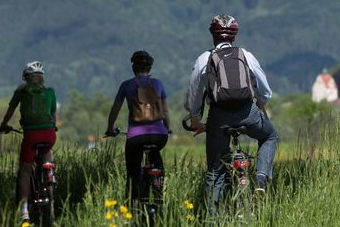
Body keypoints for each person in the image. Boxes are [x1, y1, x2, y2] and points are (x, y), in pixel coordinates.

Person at [185, 14, 278, 214]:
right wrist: (259, 108)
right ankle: (261, 179)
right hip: (248, 113)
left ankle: (212, 225)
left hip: (218, 117)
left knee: (215, 171)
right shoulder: (246, 55)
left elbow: (194, 96)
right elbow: (265, 92)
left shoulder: (204, 59)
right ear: (234, 36)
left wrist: (196, 121)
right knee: (270, 136)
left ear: (213, 35)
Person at [105, 51, 171, 204]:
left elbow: (115, 109)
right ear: (150, 67)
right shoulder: (158, 84)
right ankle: (158, 188)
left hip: (136, 136)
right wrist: (167, 128)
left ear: (134, 68)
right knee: (155, 155)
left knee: (133, 173)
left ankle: (133, 206)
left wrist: (110, 128)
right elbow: (165, 111)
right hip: (159, 136)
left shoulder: (126, 85)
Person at [0, 61, 57, 223]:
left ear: (26, 77)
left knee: (25, 170)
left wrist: (3, 125)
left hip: (31, 135)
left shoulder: (21, 91)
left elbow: (11, 110)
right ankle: (49, 175)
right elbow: (53, 117)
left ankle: (24, 211)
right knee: (47, 154)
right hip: (49, 134)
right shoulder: (50, 92)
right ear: (41, 77)